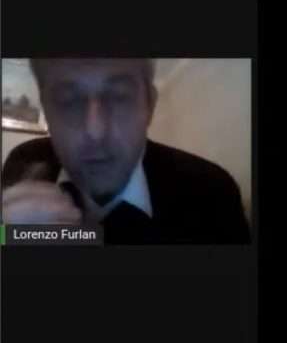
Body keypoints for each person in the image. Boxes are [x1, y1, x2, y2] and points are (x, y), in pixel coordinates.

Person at [1, 58, 251, 244]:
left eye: (119, 97)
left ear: (150, 105)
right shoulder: (24, 161)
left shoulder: (212, 191)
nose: (95, 132)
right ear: (47, 109)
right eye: (69, 101)